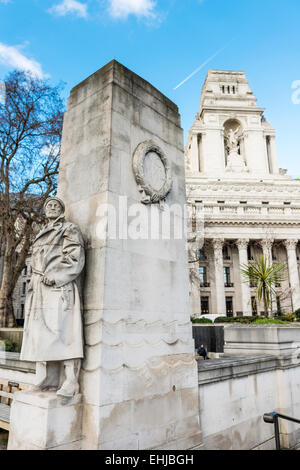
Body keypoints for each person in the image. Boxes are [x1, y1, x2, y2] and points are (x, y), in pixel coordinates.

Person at [20, 196, 85, 398]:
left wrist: (56, 276)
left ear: (62, 210)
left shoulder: (69, 229)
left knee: (64, 332)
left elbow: (75, 257)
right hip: (39, 287)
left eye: (56, 205)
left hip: (58, 285)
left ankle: (71, 380)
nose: (52, 207)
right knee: (39, 335)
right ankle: (45, 378)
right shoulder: (41, 233)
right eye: (49, 205)